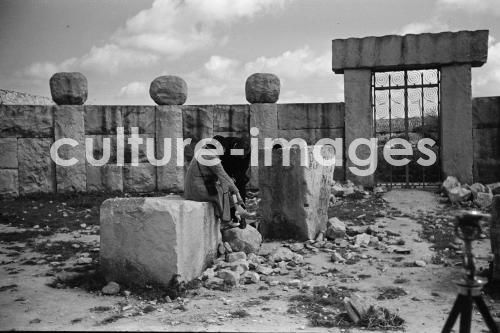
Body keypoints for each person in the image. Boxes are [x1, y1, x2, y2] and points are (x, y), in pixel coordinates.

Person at [184, 138, 254, 229]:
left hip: (194, 187)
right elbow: (223, 176)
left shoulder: (204, 151)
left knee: (227, 190)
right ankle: (226, 221)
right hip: (198, 189)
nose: (224, 152)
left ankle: (238, 214)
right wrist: (237, 192)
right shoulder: (211, 156)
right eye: (224, 149)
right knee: (223, 192)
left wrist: (234, 183)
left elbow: (240, 170)